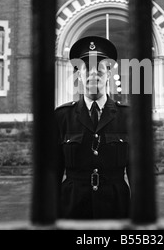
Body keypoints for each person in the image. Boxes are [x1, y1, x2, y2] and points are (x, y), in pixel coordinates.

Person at [55, 35, 130, 219]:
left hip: (116, 208)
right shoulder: (62, 117)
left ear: (109, 74)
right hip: (73, 209)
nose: (93, 73)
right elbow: (52, 171)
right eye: (86, 68)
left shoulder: (128, 117)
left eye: (100, 69)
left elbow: (138, 172)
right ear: (78, 75)